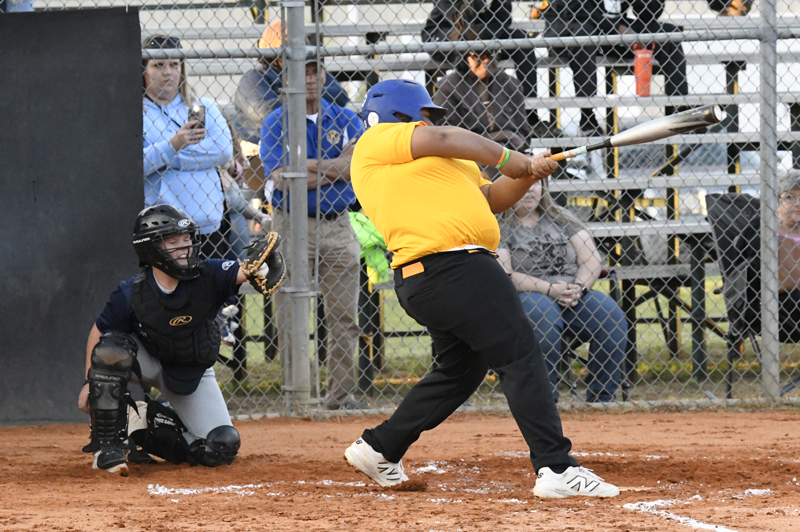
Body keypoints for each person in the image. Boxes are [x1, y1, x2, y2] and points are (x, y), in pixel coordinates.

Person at [343, 79, 619, 498]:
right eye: (424, 114)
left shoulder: (449, 161)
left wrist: (529, 173)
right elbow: (447, 137)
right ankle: (557, 467)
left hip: (439, 275)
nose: (430, 122)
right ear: (398, 113)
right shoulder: (376, 141)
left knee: (461, 370)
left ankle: (381, 447)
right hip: (454, 266)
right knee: (520, 354)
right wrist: (512, 158)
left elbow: (491, 198)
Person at [77, 204, 283, 475]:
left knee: (220, 447)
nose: (184, 248)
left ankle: (143, 422)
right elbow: (99, 331)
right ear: (150, 249)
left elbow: (244, 270)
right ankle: (109, 449)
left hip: (190, 369)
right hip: (147, 361)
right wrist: (89, 382)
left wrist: (262, 268)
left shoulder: (209, 273)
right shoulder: (131, 292)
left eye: (186, 240)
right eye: (173, 243)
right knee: (111, 350)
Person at [259, 57, 365, 411]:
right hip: (291, 224)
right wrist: (335, 168)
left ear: (323, 75)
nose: (308, 78)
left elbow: (355, 168)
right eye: (300, 72)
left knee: (344, 316)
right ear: (287, 77)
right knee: (291, 315)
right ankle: (299, 399)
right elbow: (281, 180)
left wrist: (304, 168)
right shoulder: (276, 121)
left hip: (338, 223)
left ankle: (340, 397)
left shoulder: (346, 117)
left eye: (314, 71)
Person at [496, 180, 627, 403]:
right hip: (529, 294)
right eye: (522, 183)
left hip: (571, 293)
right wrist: (550, 289)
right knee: (543, 315)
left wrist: (579, 288)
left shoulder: (561, 218)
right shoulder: (499, 225)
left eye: (535, 183)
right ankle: (544, 402)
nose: (529, 189)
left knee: (610, 316)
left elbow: (591, 260)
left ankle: (602, 398)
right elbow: (505, 274)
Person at [142, 34, 234, 260]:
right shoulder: (136, 114)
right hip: (162, 229)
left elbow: (223, 150)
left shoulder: (203, 106)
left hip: (207, 226)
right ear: (143, 69)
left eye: (174, 64)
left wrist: (167, 154)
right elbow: (137, 165)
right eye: (158, 65)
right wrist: (174, 143)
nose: (168, 72)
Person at [543, 0, 687, 137]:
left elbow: (648, 14)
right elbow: (577, 9)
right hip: (571, 24)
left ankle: (680, 111)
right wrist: (618, 29)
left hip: (613, 28)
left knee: (669, 33)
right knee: (584, 34)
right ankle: (587, 117)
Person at [422, 0, 550, 132]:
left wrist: (489, 35)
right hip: (444, 32)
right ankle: (470, 123)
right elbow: (461, 21)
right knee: (469, 35)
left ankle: (530, 117)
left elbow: (503, 18)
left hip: (486, 31)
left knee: (521, 38)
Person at [233, 21, 350, 144]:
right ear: (271, 44)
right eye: (287, 40)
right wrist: (305, 95)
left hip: (310, 142)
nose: (295, 45)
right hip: (265, 144)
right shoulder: (256, 76)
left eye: (299, 39)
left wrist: (295, 96)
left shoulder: (311, 69)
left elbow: (339, 96)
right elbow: (264, 113)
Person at [432, 49, 530, 153]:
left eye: (491, 55)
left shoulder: (509, 84)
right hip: (468, 156)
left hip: (508, 153)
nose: (486, 60)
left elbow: (524, 135)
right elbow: (447, 137)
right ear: (465, 58)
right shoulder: (448, 87)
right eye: (478, 56)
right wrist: (504, 135)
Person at [777, 170, 800, 339]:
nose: (797, 203)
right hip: (784, 306)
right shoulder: (769, 233)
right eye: (790, 197)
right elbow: (784, 282)